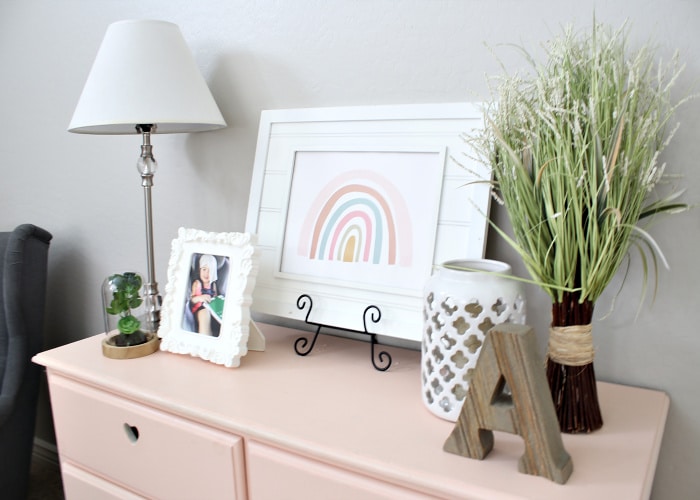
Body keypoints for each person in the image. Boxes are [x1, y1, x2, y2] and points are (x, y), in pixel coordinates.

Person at [189, 254, 219, 335]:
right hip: (200, 310)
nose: (206, 273)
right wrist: (200, 297)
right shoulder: (197, 283)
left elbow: (216, 298)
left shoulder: (213, 285)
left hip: (212, 311)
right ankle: (205, 337)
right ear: (199, 270)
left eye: (210, 270)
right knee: (204, 314)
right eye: (204, 269)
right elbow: (192, 300)